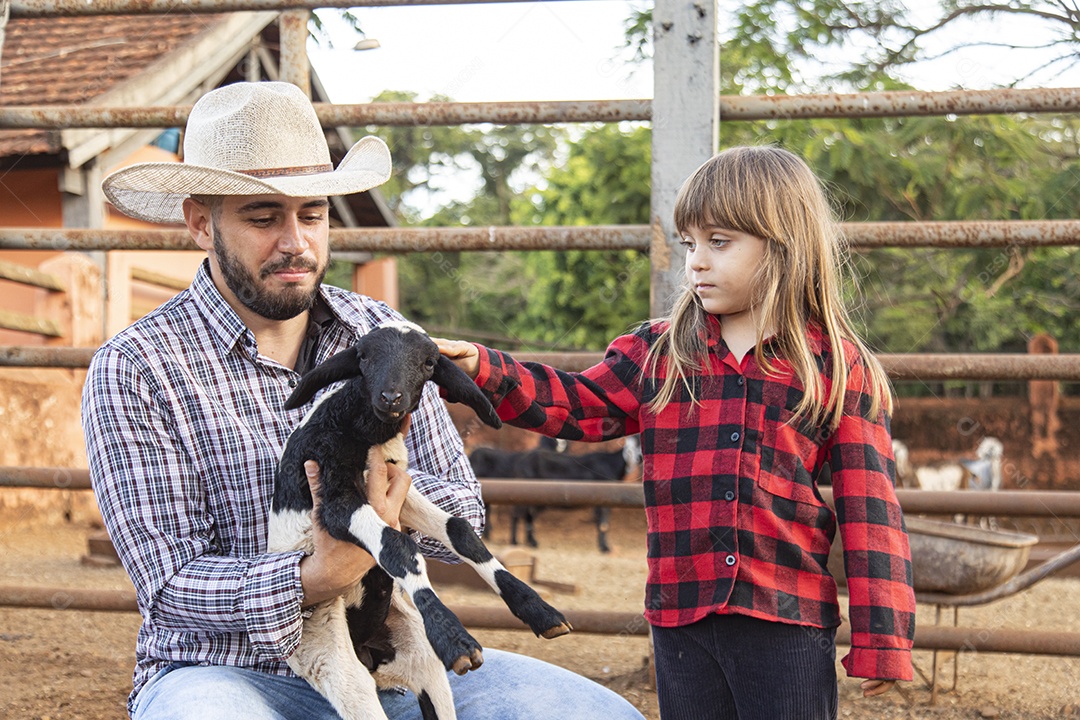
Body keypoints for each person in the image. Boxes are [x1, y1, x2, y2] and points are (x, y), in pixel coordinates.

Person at [82, 81, 644, 720]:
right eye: (264, 218)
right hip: (227, 674)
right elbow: (168, 587)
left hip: (393, 659)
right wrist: (320, 573)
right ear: (200, 223)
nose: (296, 242)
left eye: (313, 214)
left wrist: (388, 505)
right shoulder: (136, 368)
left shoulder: (380, 333)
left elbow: (464, 505)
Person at [436, 146, 916, 720]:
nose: (696, 263)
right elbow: (576, 404)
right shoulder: (659, 351)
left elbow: (873, 511)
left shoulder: (836, 367)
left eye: (720, 243)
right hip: (680, 614)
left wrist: (882, 640)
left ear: (784, 245)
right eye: (690, 244)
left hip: (787, 619)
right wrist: (483, 369)